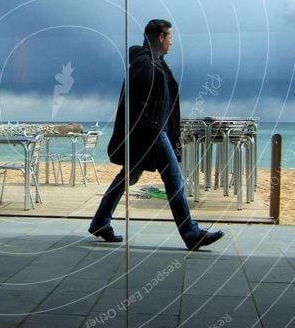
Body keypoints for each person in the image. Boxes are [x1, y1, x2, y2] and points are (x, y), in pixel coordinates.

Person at [88, 19, 224, 251]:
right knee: (175, 180)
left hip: (154, 133)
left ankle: (101, 221)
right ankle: (191, 233)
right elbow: (137, 105)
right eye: (170, 37)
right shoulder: (144, 64)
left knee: (127, 177)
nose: (172, 42)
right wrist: (153, 131)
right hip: (152, 134)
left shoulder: (157, 63)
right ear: (161, 38)